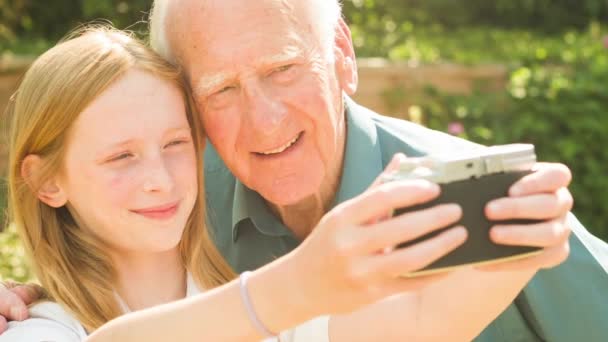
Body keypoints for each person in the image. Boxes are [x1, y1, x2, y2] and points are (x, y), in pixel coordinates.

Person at [2, 0, 607, 340]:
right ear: (46, 181)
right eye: (221, 90)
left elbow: (420, 326)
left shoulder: (265, 317)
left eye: (174, 144)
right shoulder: (39, 331)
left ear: (342, 56)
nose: (160, 178)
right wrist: (301, 283)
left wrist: (520, 234)